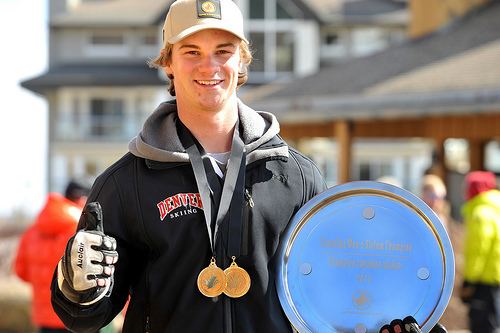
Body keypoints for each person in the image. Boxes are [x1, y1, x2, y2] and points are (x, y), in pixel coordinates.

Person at [50, 1, 447, 332]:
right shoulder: (125, 183)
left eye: (223, 50)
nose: (210, 66)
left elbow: (331, 298)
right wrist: (74, 286)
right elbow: (87, 317)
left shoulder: (297, 176)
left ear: (242, 60)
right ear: (168, 63)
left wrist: (387, 315)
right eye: (192, 52)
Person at [14, 180, 89, 333]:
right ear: (82, 199)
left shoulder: (32, 231)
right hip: (77, 315)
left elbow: (21, 271)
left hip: (44, 317)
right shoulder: (82, 231)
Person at [459, 171, 500, 333]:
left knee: (482, 325)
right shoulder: (495, 209)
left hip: (482, 281)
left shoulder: (480, 213)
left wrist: (469, 281)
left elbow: (478, 250)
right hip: (495, 278)